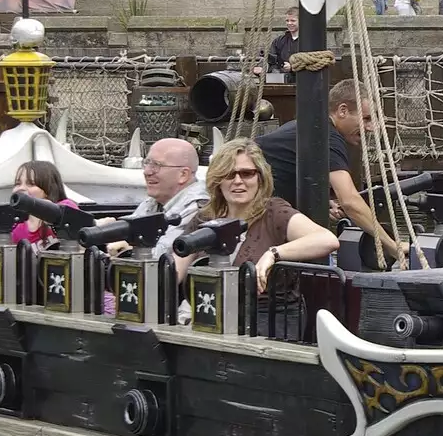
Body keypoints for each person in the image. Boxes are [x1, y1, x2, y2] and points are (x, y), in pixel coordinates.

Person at [252, 78, 403, 264]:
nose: (372, 128)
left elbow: (287, 170)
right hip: (253, 212)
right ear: (342, 111)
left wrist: (322, 201)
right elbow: (350, 202)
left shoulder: (307, 126)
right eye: (366, 118)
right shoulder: (327, 138)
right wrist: (391, 246)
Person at [171, 139, 339, 294]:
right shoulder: (206, 216)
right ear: (217, 181)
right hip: (209, 313)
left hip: (265, 316)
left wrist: (273, 254)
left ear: (260, 177)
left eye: (247, 173)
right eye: (229, 174)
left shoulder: (274, 212)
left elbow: (327, 239)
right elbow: (174, 271)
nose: (237, 181)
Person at [112, 138, 207, 258]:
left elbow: (163, 257)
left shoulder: (198, 209)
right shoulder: (153, 203)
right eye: (147, 163)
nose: (147, 172)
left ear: (183, 175)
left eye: (156, 165)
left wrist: (127, 249)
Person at [0, 160, 76, 249]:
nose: (21, 188)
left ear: (49, 189)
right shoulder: (16, 222)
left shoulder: (65, 207)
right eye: (18, 184)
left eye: (31, 184)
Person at [265, 6, 299, 72]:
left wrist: (292, 67)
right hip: (282, 80)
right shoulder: (279, 41)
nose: (289, 23)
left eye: (293, 21)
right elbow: (271, 62)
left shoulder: (308, 41)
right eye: (287, 20)